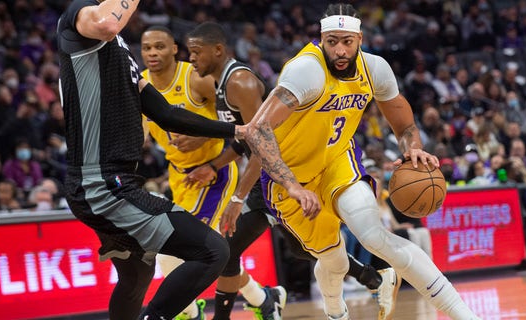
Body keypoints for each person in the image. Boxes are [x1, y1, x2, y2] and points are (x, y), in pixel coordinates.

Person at [242, 4, 480, 319]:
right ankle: (336, 312)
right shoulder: (306, 71)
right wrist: (292, 186)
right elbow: (257, 129)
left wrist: (413, 148)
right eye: (332, 41)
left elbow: (404, 124)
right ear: (322, 39)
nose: (340, 50)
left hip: (337, 161)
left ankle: (466, 315)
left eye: (347, 42)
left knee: (373, 235)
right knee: (333, 260)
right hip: (291, 177)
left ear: (360, 39)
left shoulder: (375, 69)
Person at [184, 22, 393, 320]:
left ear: (217, 50)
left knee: (228, 247)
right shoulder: (219, 83)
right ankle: (369, 277)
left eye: (195, 52)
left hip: (280, 172)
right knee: (301, 249)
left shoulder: (239, 82)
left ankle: (241, 311)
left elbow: (262, 144)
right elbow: (244, 142)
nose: (191, 59)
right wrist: (212, 165)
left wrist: (237, 198)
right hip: (272, 172)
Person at [57, 1, 245, 319]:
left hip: (114, 183)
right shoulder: (80, 17)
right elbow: (106, 23)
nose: (151, 52)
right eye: (148, 47)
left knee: (136, 276)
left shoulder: (120, 52)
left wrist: (237, 130)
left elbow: (167, 114)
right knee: (213, 250)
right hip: (102, 185)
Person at [140, 26, 242, 320]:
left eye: (160, 47)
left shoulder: (196, 78)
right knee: (206, 253)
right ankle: (263, 298)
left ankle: (185, 310)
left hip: (214, 174)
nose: (153, 53)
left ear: (174, 49)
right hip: (178, 175)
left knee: (177, 248)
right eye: (147, 49)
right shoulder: (141, 85)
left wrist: (205, 135)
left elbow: (237, 121)